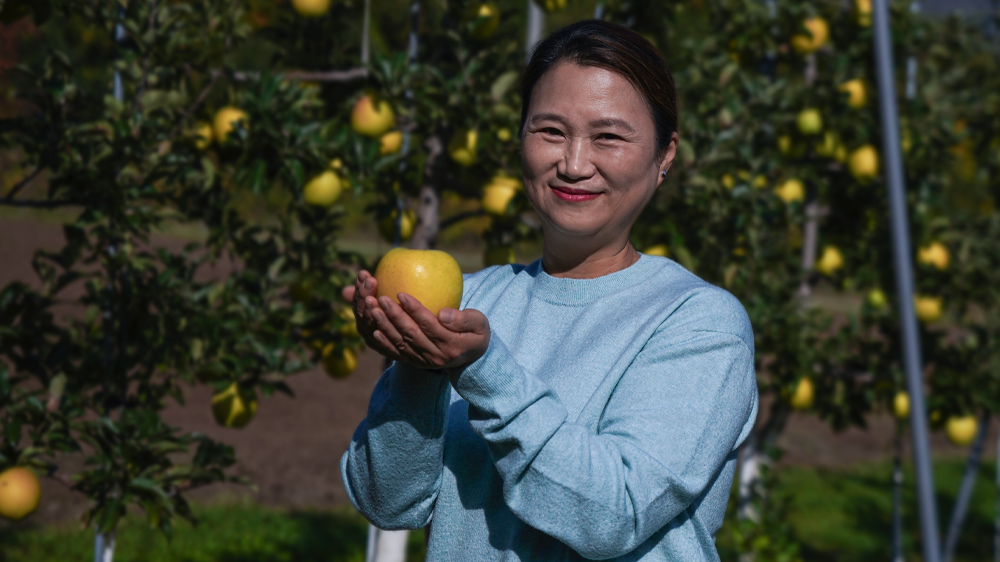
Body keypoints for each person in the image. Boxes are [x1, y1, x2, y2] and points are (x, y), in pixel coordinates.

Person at [340, 19, 758, 562]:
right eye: (551, 131)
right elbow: (389, 503)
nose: (575, 163)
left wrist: (481, 372)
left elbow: (613, 514)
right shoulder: (466, 303)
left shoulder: (697, 322)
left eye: (608, 136)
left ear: (665, 155)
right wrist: (419, 369)